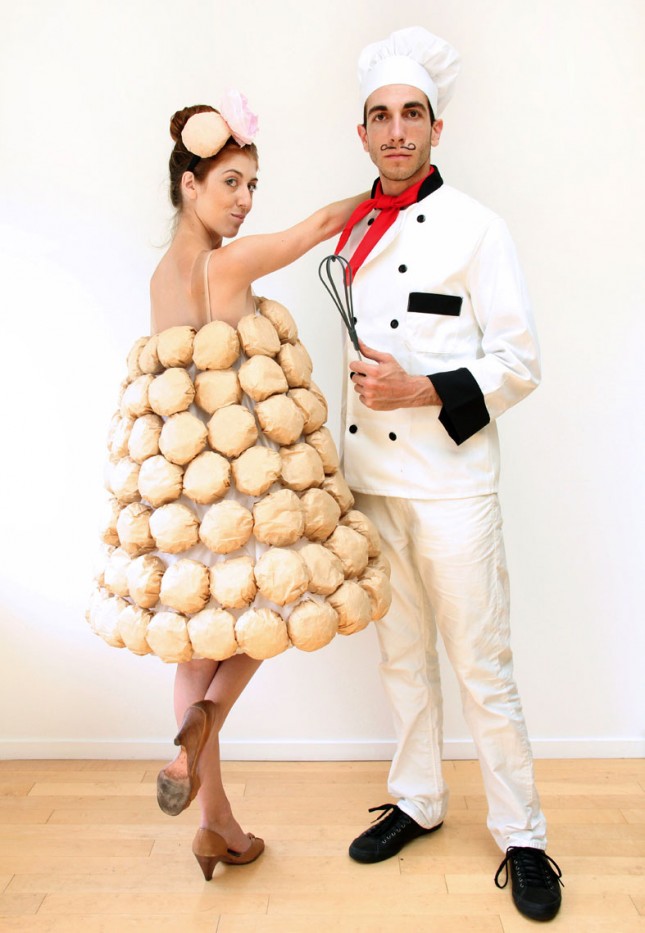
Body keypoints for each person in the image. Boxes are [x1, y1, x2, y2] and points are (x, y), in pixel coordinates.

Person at [87, 93, 387, 881]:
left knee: (197, 643)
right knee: (265, 613)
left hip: (184, 494)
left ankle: (214, 820)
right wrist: (384, 188)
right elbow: (316, 228)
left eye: (252, 184)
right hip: (246, 483)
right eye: (229, 182)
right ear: (188, 185)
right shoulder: (228, 262)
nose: (245, 199)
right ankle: (209, 719)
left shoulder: (162, 277)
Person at [334, 27, 563, 923]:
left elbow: (519, 361)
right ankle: (419, 798)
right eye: (380, 116)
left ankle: (523, 834)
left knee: (480, 664)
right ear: (362, 132)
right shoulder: (351, 227)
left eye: (411, 114)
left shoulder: (477, 227)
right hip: (370, 481)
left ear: (437, 127)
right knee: (399, 656)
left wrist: (421, 387)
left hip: (452, 483)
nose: (396, 130)